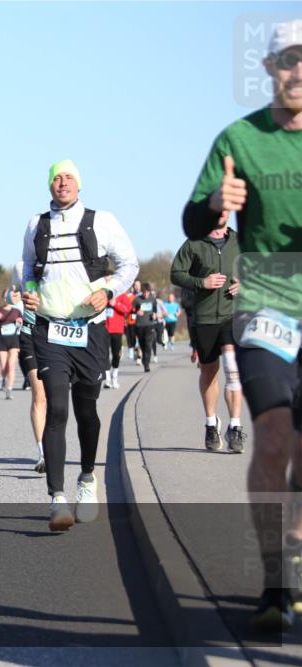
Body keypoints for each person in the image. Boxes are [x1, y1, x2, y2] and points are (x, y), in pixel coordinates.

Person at [182, 19, 302, 630]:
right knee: (275, 436)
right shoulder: (240, 137)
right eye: (288, 59)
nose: (299, 71)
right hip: (267, 304)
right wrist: (214, 205)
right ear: (269, 67)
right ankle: (275, 581)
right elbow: (190, 223)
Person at [22, 159, 138, 531]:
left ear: (79, 184)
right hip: (50, 330)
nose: (62, 182)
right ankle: (57, 499)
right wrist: (29, 293)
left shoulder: (101, 220)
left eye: (68, 177)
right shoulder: (35, 224)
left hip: (90, 330)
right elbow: (27, 271)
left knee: (86, 411)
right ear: (48, 185)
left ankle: (87, 479)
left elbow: (129, 265)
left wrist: (108, 290)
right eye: (56, 177)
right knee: (56, 409)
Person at [171, 210, 246, 452]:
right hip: (204, 318)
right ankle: (211, 423)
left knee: (233, 370)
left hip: (233, 315)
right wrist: (200, 283)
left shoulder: (241, 241)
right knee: (209, 371)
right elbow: (176, 273)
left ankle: (235, 427)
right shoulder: (194, 242)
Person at [13, 263, 48, 474]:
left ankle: (52, 443)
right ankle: (42, 453)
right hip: (30, 335)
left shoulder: (59, 263)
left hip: (55, 335)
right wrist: (13, 298)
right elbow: (11, 295)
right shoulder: (21, 267)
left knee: (56, 398)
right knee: (39, 395)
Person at [0, 290, 24, 400]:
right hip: (2, 340)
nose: (7, 298)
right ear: (3, 298)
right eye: (5, 296)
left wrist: (20, 321)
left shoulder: (17, 311)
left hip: (14, 340)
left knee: (12, 366)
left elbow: (21, 323)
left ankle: (9, 390)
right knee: (4, 367)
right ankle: (3, 378)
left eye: (9, 296)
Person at [103, 279, 132, 389]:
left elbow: (127, 309)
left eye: (109, 279)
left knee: (116, 354)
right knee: (104, 354)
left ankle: (114, 377)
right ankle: (107, 380)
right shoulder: (102, 293)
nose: (107, 281)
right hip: (104, 329)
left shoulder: (121, 293)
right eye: (106, 279)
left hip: (116, 330)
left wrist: (116, 304)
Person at [131, 284, 158, 374]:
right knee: (142, 345)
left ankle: (146, 364)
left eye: (147, 292)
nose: (146, 294)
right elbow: (131, 309)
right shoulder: (137, 299)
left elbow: (155, 309)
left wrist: (154, 314)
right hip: (139, 325)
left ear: (149, 292)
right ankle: (144, 359)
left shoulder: (153, 299)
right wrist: (136, 311)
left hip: (149, 324)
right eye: (144, 292)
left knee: (148, 344)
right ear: (142, 292)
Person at [125, 280, 142, 363]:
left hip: (141, 321)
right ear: (133, 287)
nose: (137, 287)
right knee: (132, 338)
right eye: (135, 285)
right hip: (131, 320)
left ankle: (139, 357)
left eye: (139, 285)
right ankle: (133, 350)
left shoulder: (142, 296)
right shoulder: (129, 297)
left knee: (140, 339)